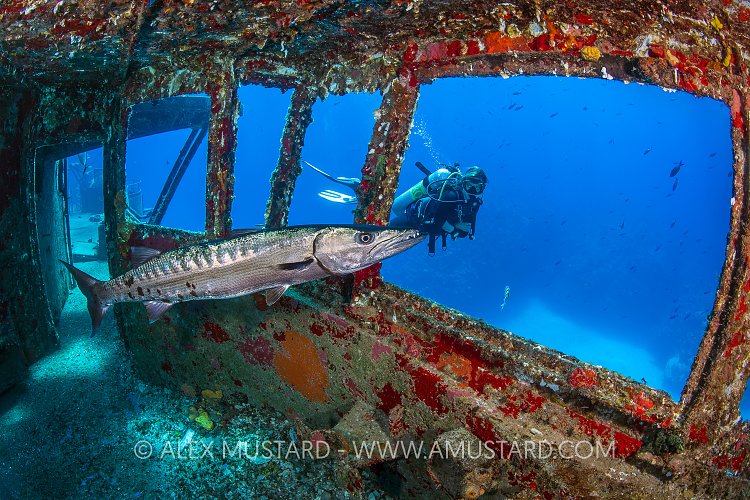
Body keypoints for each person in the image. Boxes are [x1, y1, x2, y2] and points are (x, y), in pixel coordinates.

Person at [391, 163, 488, 255]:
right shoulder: (451, 196)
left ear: (482, 189)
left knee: (387, 249)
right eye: (469, 186)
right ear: (463, 183)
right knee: (384, 231)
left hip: (421, 231)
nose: (472, 191)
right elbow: (437, 221)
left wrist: (455, 229)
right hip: (412, 218)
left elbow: (465, 232)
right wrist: (454, 229)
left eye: (477, 188)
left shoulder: (474, 204)